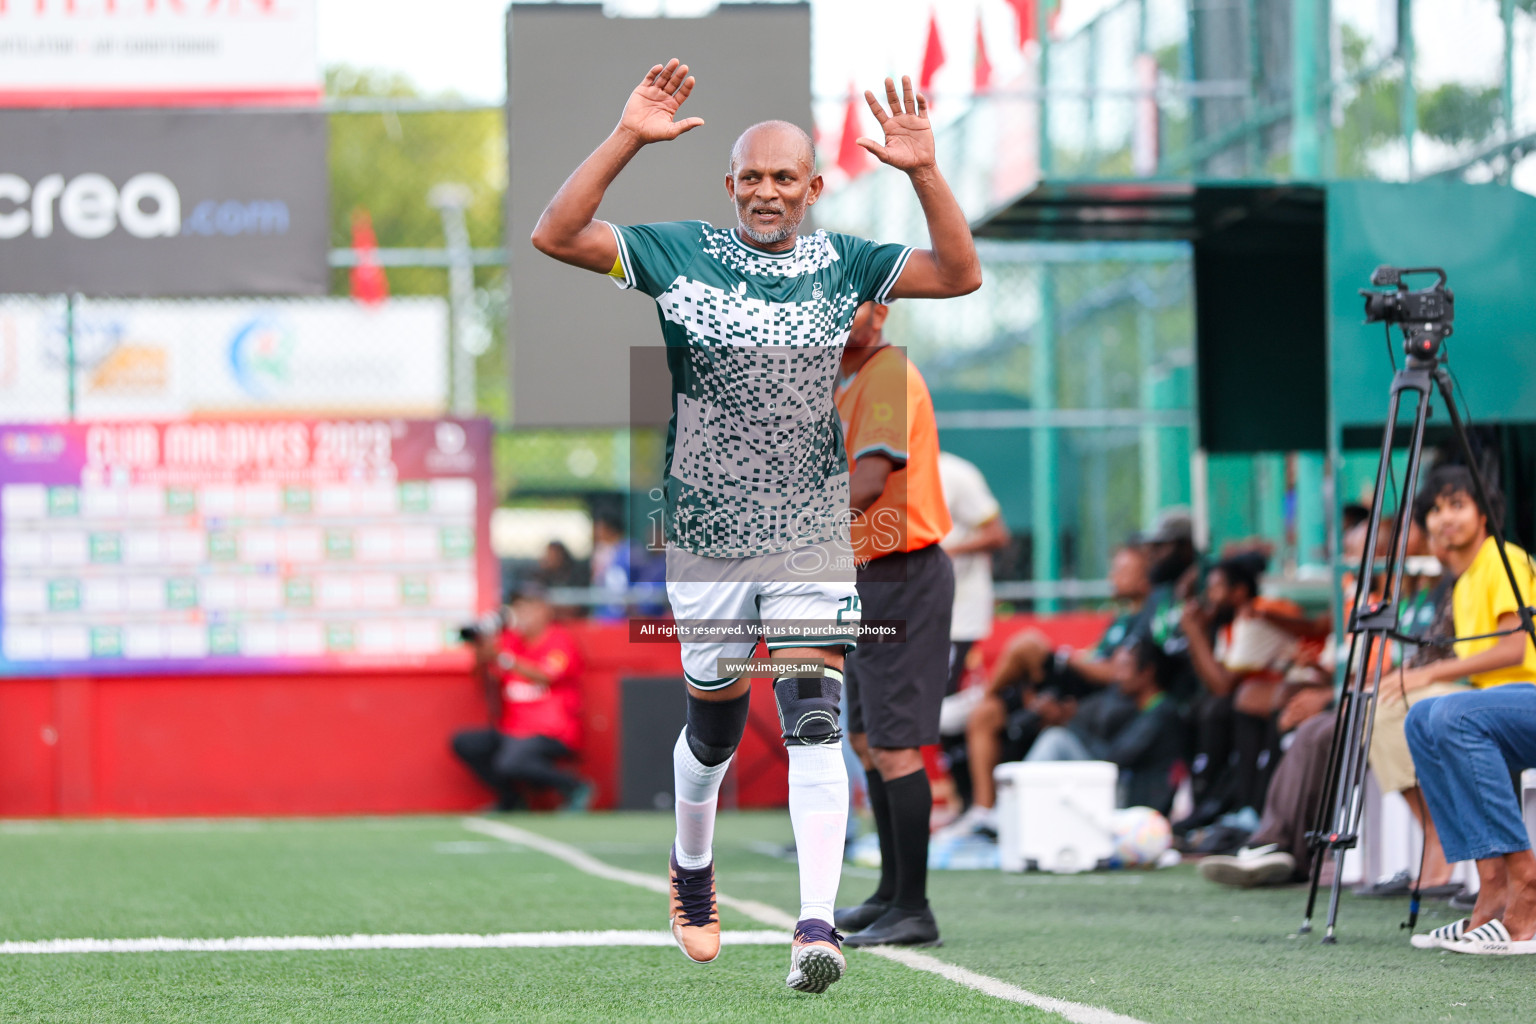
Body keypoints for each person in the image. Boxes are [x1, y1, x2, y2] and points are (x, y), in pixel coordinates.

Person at [531, 59, 980, 993]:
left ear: (816, 188)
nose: (769, 191)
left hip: (812, 530)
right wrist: (625, 136)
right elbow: (556, 233)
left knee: (816, 716)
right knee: (715, 732)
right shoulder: (679, 252)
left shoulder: (847, 264)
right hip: (703, 530)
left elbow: (961, 274)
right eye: (753, 177)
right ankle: (692, 869)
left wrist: (925, 174)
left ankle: (814, 925)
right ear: (729, 185)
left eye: (787, 177)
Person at [830, 301, 954, 948]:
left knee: (896, 743)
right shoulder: (844, 380)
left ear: (883, 312)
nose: (860, 311)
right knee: (866, 740)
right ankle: (889, 893)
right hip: (867, 575)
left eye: (869, 299)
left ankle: (914, 907)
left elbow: (871, 481)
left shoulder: (885, 371)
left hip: (900, 571)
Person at [1377, 464, 1536, 948]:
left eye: (1458, 505)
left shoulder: (1504, 559)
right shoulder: (1462, 581)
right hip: (1506, 707)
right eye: (1436, 509)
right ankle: (1491, 886)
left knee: (1448, 711)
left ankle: (1526, 886)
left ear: (1484, 514)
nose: (1446, 518)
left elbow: (1514, 649)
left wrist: (1427, 673)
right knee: (1423, 718)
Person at [944, 543, 1154, 838]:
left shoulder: (1146, 621)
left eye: (1121, 571)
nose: (1111, 576)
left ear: (1144, 579)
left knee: (1028, 644)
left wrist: (1068, 659)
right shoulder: (1118, 620)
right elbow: (1100, 658)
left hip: (1090, 695)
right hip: (1078, 682)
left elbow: (1117, 674)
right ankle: (983, 811)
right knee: (985, 714)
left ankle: (984, 691)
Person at [1179, 553, 1308, 829]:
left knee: (1223, 707)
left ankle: (1246, 809)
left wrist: (1194, 633)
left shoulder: (1255, 618)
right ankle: (1214, 802)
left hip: (1291, 693)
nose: (1209, 596)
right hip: (1260, 698)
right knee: (1203, 708)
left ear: (1238, 592)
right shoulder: (1232, 622)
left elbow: (1222, 685)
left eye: (1215, 588)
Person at [451, 584, 591, 811]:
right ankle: (512, 799)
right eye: (518, 608)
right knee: (465, 743)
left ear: (544, 610)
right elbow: (483, 677)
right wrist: (481, 648)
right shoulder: (510, 640)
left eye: (528, 608)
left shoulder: (559, 640)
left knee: (510, 761)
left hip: (552, 731)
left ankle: (574, 786)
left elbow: (546, 676)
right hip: (513, 729)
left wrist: (504, 658)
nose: (522, 615)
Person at [1022, 636, 1185, 814]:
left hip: (1136, 804)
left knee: (1056, 740)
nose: (1117, 676)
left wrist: (1065, 722)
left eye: (1123, 667)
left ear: (1147, 671)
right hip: (1125, 791)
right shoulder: (1143, 708)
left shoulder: (1161, 711)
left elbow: (1112, 761)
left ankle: (1020, 806)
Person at [938, 451, 1009, 694]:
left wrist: (946, 552)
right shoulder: (889, 470)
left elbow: (997, 534)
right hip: (914, 607)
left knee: (942, 695)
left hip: (958, 611)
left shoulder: (955, 473)